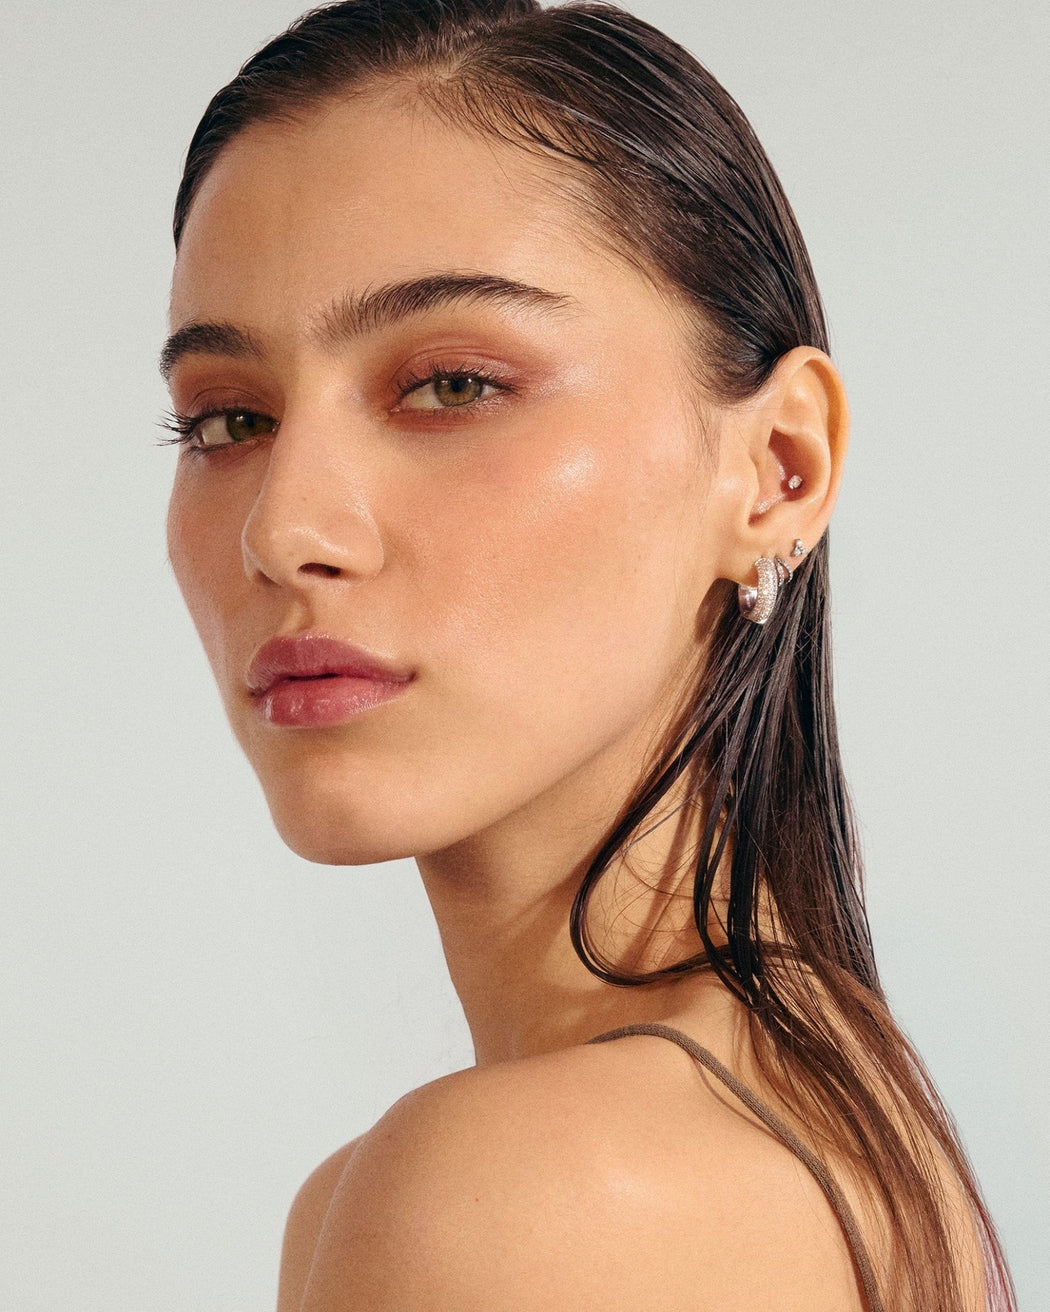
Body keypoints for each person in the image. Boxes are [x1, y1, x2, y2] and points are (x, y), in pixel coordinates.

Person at [160, 1, 1016, 1308]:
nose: (283, 530)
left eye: (452, 384)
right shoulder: (841, 1109)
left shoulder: (521, 1196)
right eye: (228, 418)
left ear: (777, 470)